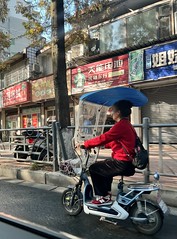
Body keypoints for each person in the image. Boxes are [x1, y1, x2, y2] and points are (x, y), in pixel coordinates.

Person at [82, 100, 136, 205]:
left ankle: (103, 197)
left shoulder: (121, 125)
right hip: (126, 161)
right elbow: (114, 142)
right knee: (105, 167)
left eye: (113, 111)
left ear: (118, 112)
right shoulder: (127, 124)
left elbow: (105, 137)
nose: (111, 113)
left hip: (122, 162)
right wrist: (101, 145)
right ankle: (107, 195)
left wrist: (87, 144)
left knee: (94, 168)